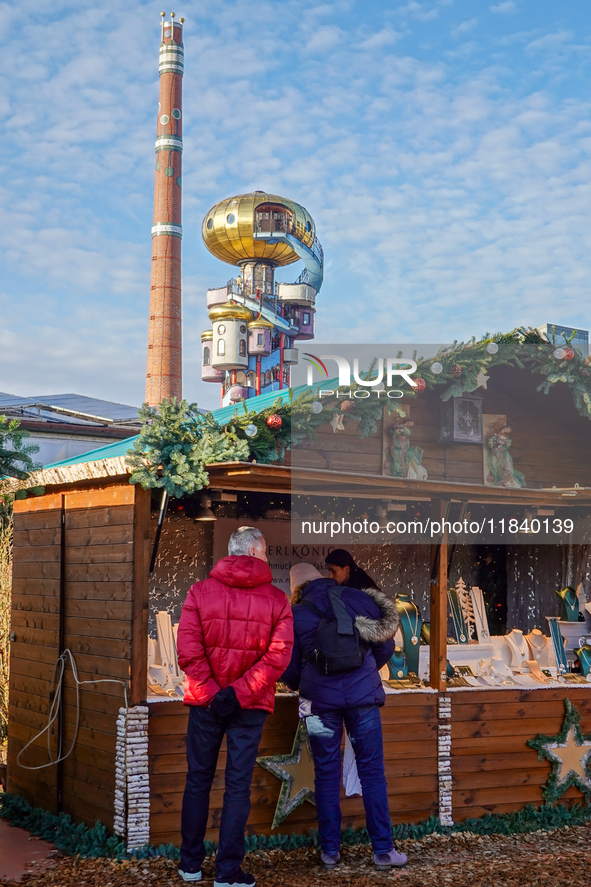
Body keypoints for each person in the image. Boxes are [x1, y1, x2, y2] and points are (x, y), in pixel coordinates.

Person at [177, 527, 294, 887]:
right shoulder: (278, 600)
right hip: (249, 705)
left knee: (198, 780)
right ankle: (227, 872)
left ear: (230, 552)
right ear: (258, 552)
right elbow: (279, 657)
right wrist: (239, 693)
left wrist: (215, 693)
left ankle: (190, 865)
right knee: (237, 787)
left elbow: (188, 651)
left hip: (205, 704)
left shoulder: (199, 592)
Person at [281, 562, 407, 872]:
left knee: (325, 773)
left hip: (319, 704)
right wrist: (365, 670)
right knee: (372, 772)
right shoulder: (354, 597)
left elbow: (287, 664)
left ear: (296, 589)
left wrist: (305, 683)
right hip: (362, 699)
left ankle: (330, 852)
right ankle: (383, 851)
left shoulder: (294, 614)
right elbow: (387, 640)